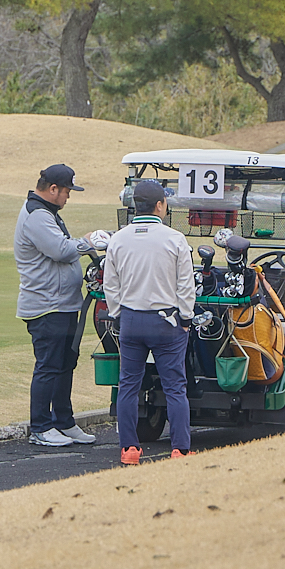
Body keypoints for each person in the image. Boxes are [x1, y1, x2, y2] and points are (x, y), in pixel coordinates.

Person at [102, 178, 196, 465]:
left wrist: (118, 314)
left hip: (131, 319)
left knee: (128, 385)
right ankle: (180, 447)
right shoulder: (174, 239)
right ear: (159, 205)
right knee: (175, 387)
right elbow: (185, 285)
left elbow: (111, 285)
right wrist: (186, 318)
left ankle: (130, 449)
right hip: (166, 321)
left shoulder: (118, 238)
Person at [14, 163, 98, 447]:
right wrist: (88, 243)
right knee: (49, 366)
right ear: (53, 189)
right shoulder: (37, 215)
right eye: (66, 191)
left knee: (64, 365)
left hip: (62, 305)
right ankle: (40, 426)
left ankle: (63, 422)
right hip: (46, 306)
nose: (68, 197)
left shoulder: (47, 212)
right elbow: (61, 250)